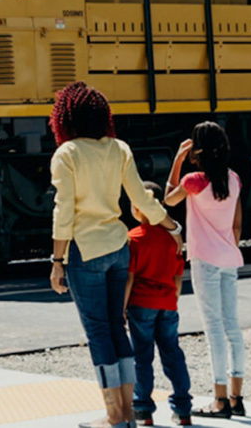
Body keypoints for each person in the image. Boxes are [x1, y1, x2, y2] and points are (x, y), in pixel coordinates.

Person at [49, 82, 183, 428]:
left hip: (86, 251)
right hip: (117, 248)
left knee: (98, 332)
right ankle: (126, 414)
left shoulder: (67, 154)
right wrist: (170, 225)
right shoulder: (118, 148)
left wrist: (57, 261)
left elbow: (64, 210)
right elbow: (140, 197)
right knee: (116, 327)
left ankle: (114, 416)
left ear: (64, 118)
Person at [165, 121, 245, 419]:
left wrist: (177, 161)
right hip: (229, 259)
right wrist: (227, 248)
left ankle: (219, 400)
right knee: (232, 327)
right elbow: (236, 225)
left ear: (198, 149)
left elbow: (167, 199)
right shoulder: (234, 179)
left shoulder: (194, 180)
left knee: (213, 330)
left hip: (205, 262)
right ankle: (237, 397)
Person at [124, 181, 192, 426]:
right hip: (167, 303)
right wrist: (173, 299)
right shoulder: (173, 239)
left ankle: (143, 410)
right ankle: (183, 409)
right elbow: (177, 275)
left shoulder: (134, 238)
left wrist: (121, 308)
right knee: (172, 353)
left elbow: (129, 277)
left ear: (139, 207)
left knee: (141, 356)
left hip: (142, 303)